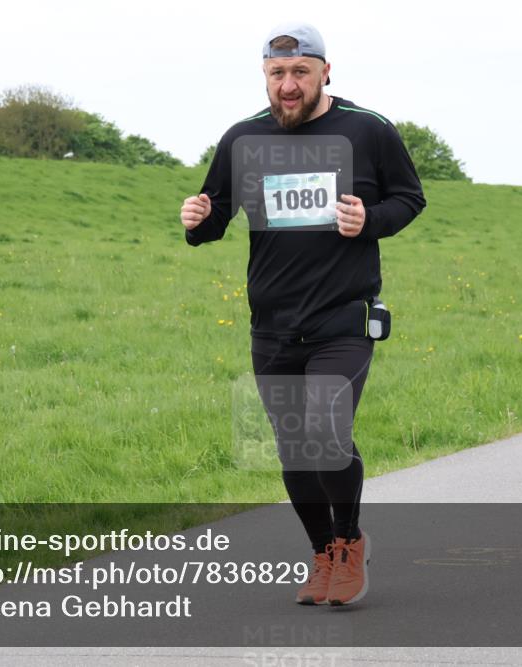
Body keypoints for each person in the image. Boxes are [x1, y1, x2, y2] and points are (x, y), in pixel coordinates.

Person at [180, 22, 425, 606]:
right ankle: (322, 554)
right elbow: (215, 216)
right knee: (292, 446)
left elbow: (409, 197)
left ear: (325, 71)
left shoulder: (368, 130)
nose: (288, 86)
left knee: (325, 431)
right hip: (272, 323)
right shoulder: (243, 139)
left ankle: (348, 542)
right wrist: (196, 219)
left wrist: (371, 220)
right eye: (277, 74)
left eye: (300, 73)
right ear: (265, 76)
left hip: (343, 317)